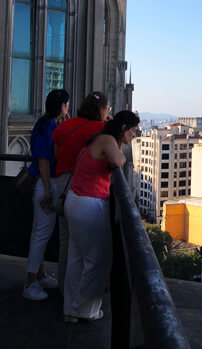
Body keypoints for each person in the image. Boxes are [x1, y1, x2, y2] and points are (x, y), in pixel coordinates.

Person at [63, 110, 140, 323]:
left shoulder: (99, 138)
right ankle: (86, 310)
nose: (135, 135)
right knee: (97, 261)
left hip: (76, 201)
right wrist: (119, 144)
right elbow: (119, 161)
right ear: (123, 128)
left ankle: (71, 308)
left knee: (77, 259)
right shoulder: (106, 140)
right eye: (132, 130)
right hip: (89, 204)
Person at [52, 92, 111, 293]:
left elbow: (56, 153)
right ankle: (83, 294)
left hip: (61, 185)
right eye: (107, 108)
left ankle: (63, 288)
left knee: (66, 241)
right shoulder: (103, 130)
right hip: (85, 189)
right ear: (102, 110)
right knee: (89, 247)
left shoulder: (64, 126)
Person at [23, 89, 70, 301]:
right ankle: (30, 282)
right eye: (66, 104)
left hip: (44, 184)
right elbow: (43, 159)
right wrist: (49, 188)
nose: (67, 108)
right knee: (41, 234)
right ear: (61, 106)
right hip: (46, 184)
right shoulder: (47, 127)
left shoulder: (46, 124)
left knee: (40, 233)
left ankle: (39, 276)